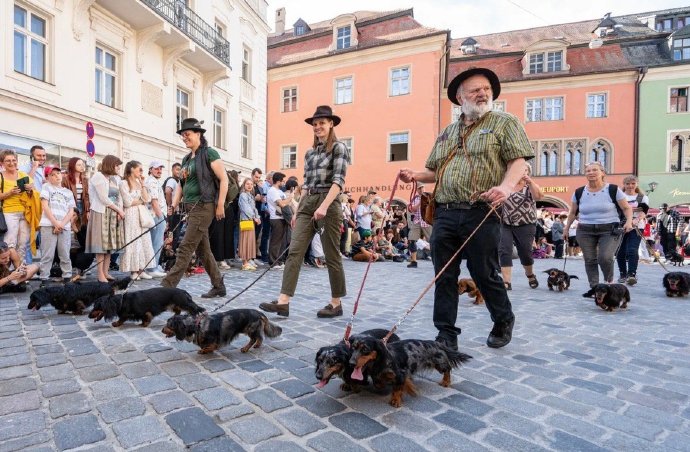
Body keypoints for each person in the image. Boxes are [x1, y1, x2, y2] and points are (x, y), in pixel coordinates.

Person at [399, 67, 534, 350]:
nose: (483, 93)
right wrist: (414, 175)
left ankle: (503, 318)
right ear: (461, 97)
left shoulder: (504, 122)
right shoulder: (448, 132)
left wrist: (507, 188)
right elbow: (433, 171)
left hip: (481, 211)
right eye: (475, 90)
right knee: (443, 275)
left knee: (483, 272)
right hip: (445, 211)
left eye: (486, 88)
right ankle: (446, 334)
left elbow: (518, 161)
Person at [259, 105, 350, 318]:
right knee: (295, 251)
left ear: (331, 124)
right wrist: (299, 210)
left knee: (331, 255)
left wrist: (324, 207)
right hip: (308, 202)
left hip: (329, 200)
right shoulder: (309, 153)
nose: (317, 126)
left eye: (322, 123)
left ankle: (336, 303)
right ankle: (283, 302)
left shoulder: (338, 148)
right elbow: (306, 184)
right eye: (315, 124)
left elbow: (338, 181)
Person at [162, 118, 228, 298]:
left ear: (198, 134)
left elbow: (224, 179)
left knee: (185, 247)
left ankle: (165, 289)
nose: (184, 137)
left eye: (187, 134)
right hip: (189, 207)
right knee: (202, 250)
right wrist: (174, 204)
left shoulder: (209, 153)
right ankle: (218, 285)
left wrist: (220, 204)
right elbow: (181, 185)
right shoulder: (186, 159)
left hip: (204, 206)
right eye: (183, 135)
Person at [563, 161, 632, 297]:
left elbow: (626, 208)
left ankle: (608, 283)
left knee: (605, 257)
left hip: (609, 229)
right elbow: (572, 213)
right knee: (589, 259)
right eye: (588, 171)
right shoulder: (579, 192)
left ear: (602, 173)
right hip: (585, 230)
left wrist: (629, 222)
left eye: (595, 170)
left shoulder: (612, 189)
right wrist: (566, 228)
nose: (591, 173)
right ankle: (595, 288)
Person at [498, 165, 543, 290]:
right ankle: (506, 282)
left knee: (525, 253)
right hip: (506, 224)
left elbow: (538, 196)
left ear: (528, 172)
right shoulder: (506, 186)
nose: (521, 172)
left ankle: (530, 274)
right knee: (504, 250)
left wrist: (530, 182)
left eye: (525, 170)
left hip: (526, 225)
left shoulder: (530, 187)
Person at [85, 155, 126, 283]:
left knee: (109, 245)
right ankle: (100, 274)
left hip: (112, 213)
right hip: (101, 212)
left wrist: (119, 210)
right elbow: (103, 198)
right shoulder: (98, 177)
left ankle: (106, 271)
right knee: (101, 245)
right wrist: (118, 210)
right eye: (117, 165)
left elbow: (119, 196)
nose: (119, 168)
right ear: (110, 165)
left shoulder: (114, 179)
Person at [38, 165, 76, 282]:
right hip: (48, 225)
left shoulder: (68, 192)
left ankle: (67, 276)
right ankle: (44, 278)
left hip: (64, 226)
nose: (56, 176)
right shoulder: (46, 187)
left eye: (58, 173)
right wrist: (55, 223)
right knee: (47, 254)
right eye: (52, 175)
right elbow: (45, 206)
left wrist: (61, 224)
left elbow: (71, 211)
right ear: (48, 177)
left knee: (64, 253)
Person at [119, 161, 155, 280]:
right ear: (131, 169)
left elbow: (147, 198)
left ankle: (141, 269)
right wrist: (140, 202)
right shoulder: (124, 183)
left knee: (144, 240)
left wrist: (143, 184)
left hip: (142, 215)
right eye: (139, 169)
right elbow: (127, 202)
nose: (141, 172)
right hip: (131, 215)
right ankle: (133, 270)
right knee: (133, 240)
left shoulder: (140, 183)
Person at [0, 150, 37, 262]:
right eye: (8, 161)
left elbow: (34, 192)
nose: (11, 163)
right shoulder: (1, 176)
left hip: (25, 213)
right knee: (10, 243)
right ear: (2, 163)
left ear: (17, 161)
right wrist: (9, 193)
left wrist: (31, 190)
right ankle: (8, 271)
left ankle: (20, 273)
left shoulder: (23, 175)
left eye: (14, 160)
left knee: (22, 244)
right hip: (9, 212)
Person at [615, 175, 649, 285]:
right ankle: (622, 274)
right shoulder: (620, 196)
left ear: (636, 184)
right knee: (620, 251)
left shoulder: (642, 197)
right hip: (621, 226)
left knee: (632, 250)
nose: (630, 186)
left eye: (633, 183)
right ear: (624, 185)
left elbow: (644, 212)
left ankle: (631, 274)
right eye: (628, 184)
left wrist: (636, 219)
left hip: (637, 227)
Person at [62, 157, 92, 275]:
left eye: (82, 164)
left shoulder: (84, 179)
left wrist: (88, 210)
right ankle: (68, 265)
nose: (82, 166)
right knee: (69, 237)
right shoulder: (65, 179)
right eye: (79, 164)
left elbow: (87, 196)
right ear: (73, 165)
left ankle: (81, 266)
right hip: (70, 207)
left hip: (83, 208)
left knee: (82, 234)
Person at [144, 161, 167, 277]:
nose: (159, 171)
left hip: (155, 215)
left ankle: (153, 266)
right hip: (156, 215)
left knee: (154, 242)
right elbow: (154, 201)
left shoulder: (153, 181)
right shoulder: (152, 182)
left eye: (161, 169)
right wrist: (161, 217)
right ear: (151, 169)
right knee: (156, 243)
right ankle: (152, 268)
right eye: (157, 168)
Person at [266, 172, 290, 267]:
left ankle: (279, 261)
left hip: (282, 217)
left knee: (281, 242)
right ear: (278, 181)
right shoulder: (272, 191)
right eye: (283, 181)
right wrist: (290, 198)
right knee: (275, 241)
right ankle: (273, 261)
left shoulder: (279, 191)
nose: (284, 183)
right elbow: (282, 204)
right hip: (276, 218)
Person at [407, 184, 433, 269]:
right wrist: (420, 202)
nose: (421, 189)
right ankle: (413, 261)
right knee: (411, 240)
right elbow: (412, 209)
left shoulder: (429, 196)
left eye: (422, 187)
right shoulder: (415, 198)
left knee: (433, 240)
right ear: (417, 190)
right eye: (419, 188)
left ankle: (438, 260)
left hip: (426, 221)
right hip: (417, 221)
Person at [238, 177, 261, 270]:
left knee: (250, 241)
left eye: (251, 184)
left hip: (251, 220)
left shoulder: (250, 195)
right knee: (245, 241)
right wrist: (254, 217)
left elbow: (254, 208)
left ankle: (248, 260)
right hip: (245, 220)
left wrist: (257, 217)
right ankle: (244, 262)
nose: (250, 186)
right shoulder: (243, 195)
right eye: (247, 184)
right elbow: (246, 208)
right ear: (244, 185)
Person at [164, 162, 182, 246]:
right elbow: (168, 191)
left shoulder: (178, 181)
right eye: (177, 169)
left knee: (173, 233)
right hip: (173, 213)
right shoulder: (172, 180)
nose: (179, 172)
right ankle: (169, 251)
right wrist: (170, 206)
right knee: (171, 233)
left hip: (175, 212)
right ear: (172, 170)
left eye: (180, 170)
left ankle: (170, 251)